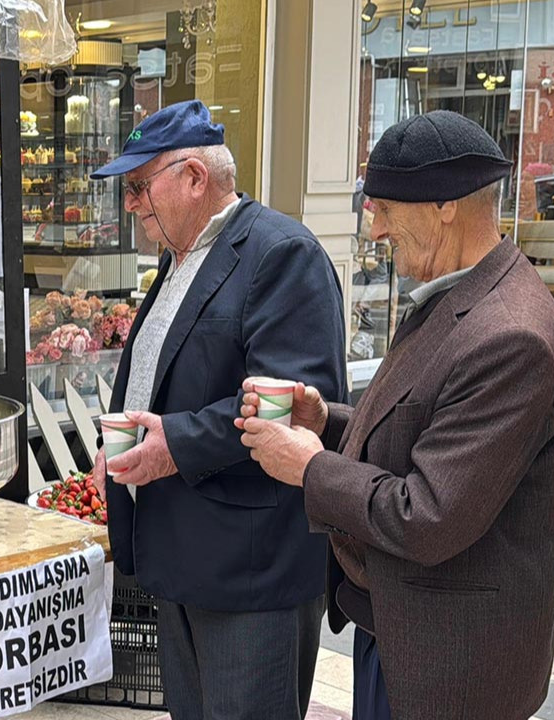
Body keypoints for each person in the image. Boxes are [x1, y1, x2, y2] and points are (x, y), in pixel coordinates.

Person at [237, 110, 554, 720]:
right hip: (405, 634)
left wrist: (311, 468)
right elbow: (428, 429)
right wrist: (328, 421)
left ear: (444, 205)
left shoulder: (511, 337)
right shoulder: (459, 292)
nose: (374, 230)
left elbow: (429, 514)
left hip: (452, 661)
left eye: (385, 208)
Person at [89, 100, 347, 720]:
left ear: (195, 177)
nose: (131, 205)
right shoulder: (181, 255)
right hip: (183, 558)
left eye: (138, 187)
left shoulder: (282, 253)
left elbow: (290, 401)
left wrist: (172, 443)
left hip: (249, 570)